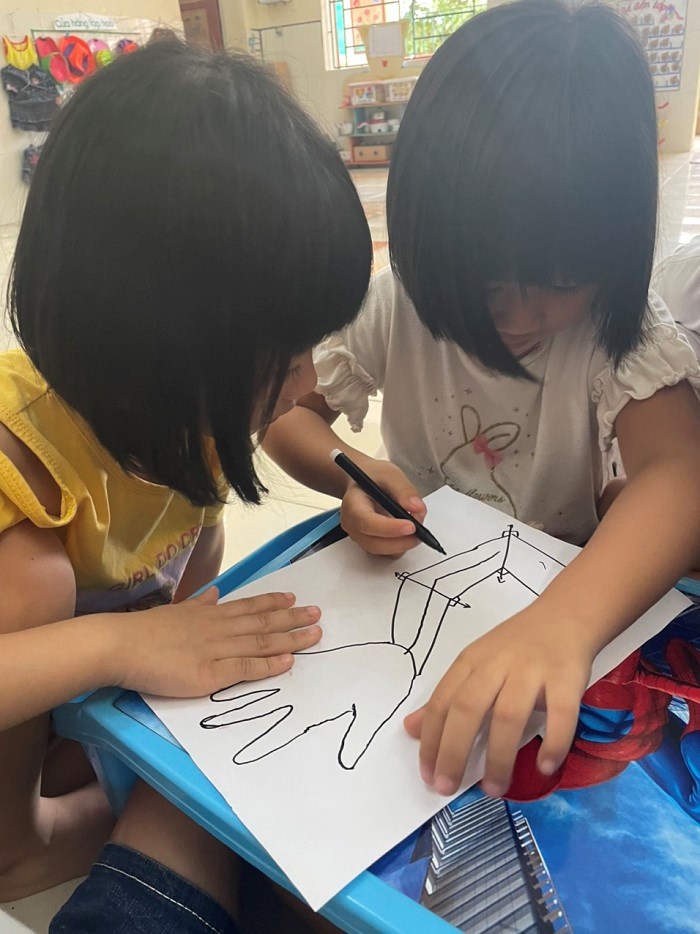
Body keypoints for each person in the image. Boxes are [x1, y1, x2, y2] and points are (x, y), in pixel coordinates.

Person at [264, 0, 700, 802]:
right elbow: (286, 413)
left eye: (559, 281)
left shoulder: (621, 329)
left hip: (563, 599)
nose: (517, 314)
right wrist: (351, 473)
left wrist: (563, 623)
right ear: (423, 237)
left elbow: (680, 476)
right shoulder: (397, 304)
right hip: (410, 587)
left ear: (615, 254)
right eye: (484, 282)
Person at [0, 39, 371, 932]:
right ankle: (19, 843)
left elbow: (194, 550)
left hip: (81, 681)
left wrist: (351, 479)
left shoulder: (180, 414)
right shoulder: (25, 461)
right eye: (279, 357)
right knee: (35, 587)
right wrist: (122, 647)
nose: (304, 381)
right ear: (159, 345)